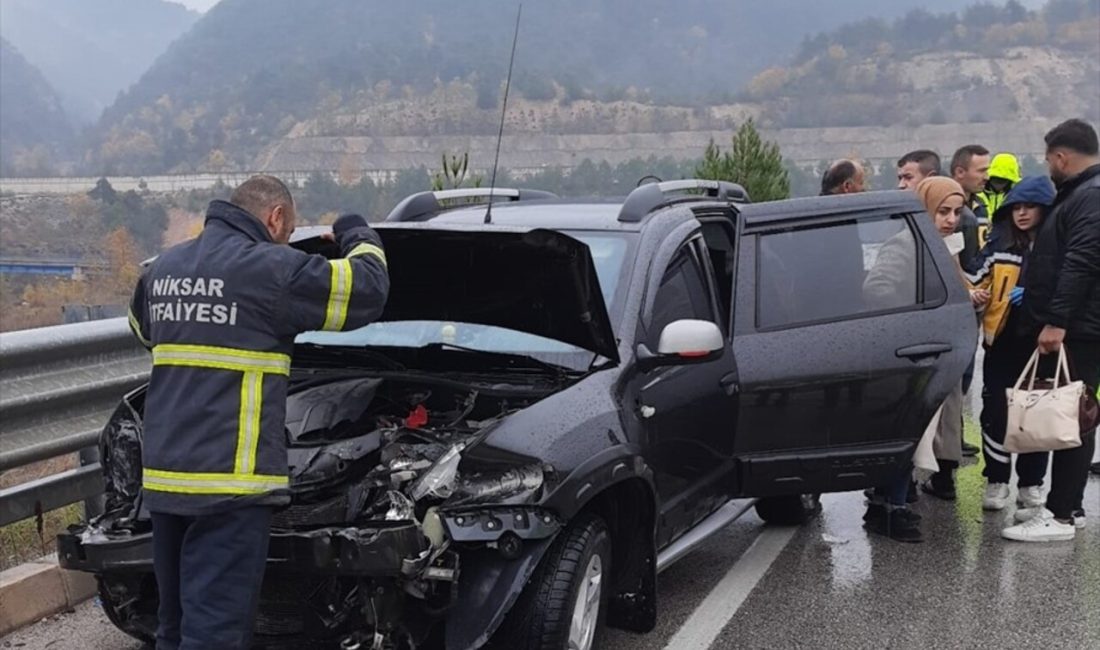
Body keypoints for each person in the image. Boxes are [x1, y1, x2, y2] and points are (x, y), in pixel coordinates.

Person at [127, 175, 390, 647]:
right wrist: (356, 232)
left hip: (166, 481)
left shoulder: (163, 269)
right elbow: (366, 290)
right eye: (288, 233)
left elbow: (144, 331)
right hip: (229, 487)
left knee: (176, 625)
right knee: (215, 634)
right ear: (276, 218)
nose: (286, 240)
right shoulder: (273, 269)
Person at [861, 177, 989, 542]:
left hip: (933, 355)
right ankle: (890, 509)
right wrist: (919, 318)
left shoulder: (939, 245)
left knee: (916, 436)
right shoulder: (905, 244)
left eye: (956, 211)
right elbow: (877, 289)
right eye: (942, 211)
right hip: (909, 355)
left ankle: (891, 506)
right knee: (906, 435)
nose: (950, 219)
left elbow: (951, 284)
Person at [1002, 119, 1100, 542]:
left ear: (1062, 157)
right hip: (1076, 324)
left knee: (1071, 416)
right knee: (1072, 413)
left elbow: (1081, 262)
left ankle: (1061, 514)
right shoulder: (1083, 194)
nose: (1049, 167)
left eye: (1049, 159)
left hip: (1077, 327)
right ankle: (1069, 507)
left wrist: (1057, 321)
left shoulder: (1089, 197)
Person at [966, 176, 1054, 512]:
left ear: (1045, 210)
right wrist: (977, 296)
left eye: (1029, 206)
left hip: (1042, 344)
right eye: (1016, 206)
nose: (1021, 213)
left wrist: (1033, 297)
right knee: (995, 414)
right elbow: (974, 279)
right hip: (1001, 343)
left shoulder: (1058, 250)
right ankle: (997, 479)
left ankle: (1031, 484)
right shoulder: (999, 247)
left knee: (1037, 415)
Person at [949, 144, 991, 273]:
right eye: (981, 171)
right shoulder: (943, 210)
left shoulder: (981, 206)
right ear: (960, 172)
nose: (986, 177)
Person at [978, 152, 1022, 225]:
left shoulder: (1017, 197)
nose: (999, 183)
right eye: (996, 179)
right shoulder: (977, 194)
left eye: (1004, 180)